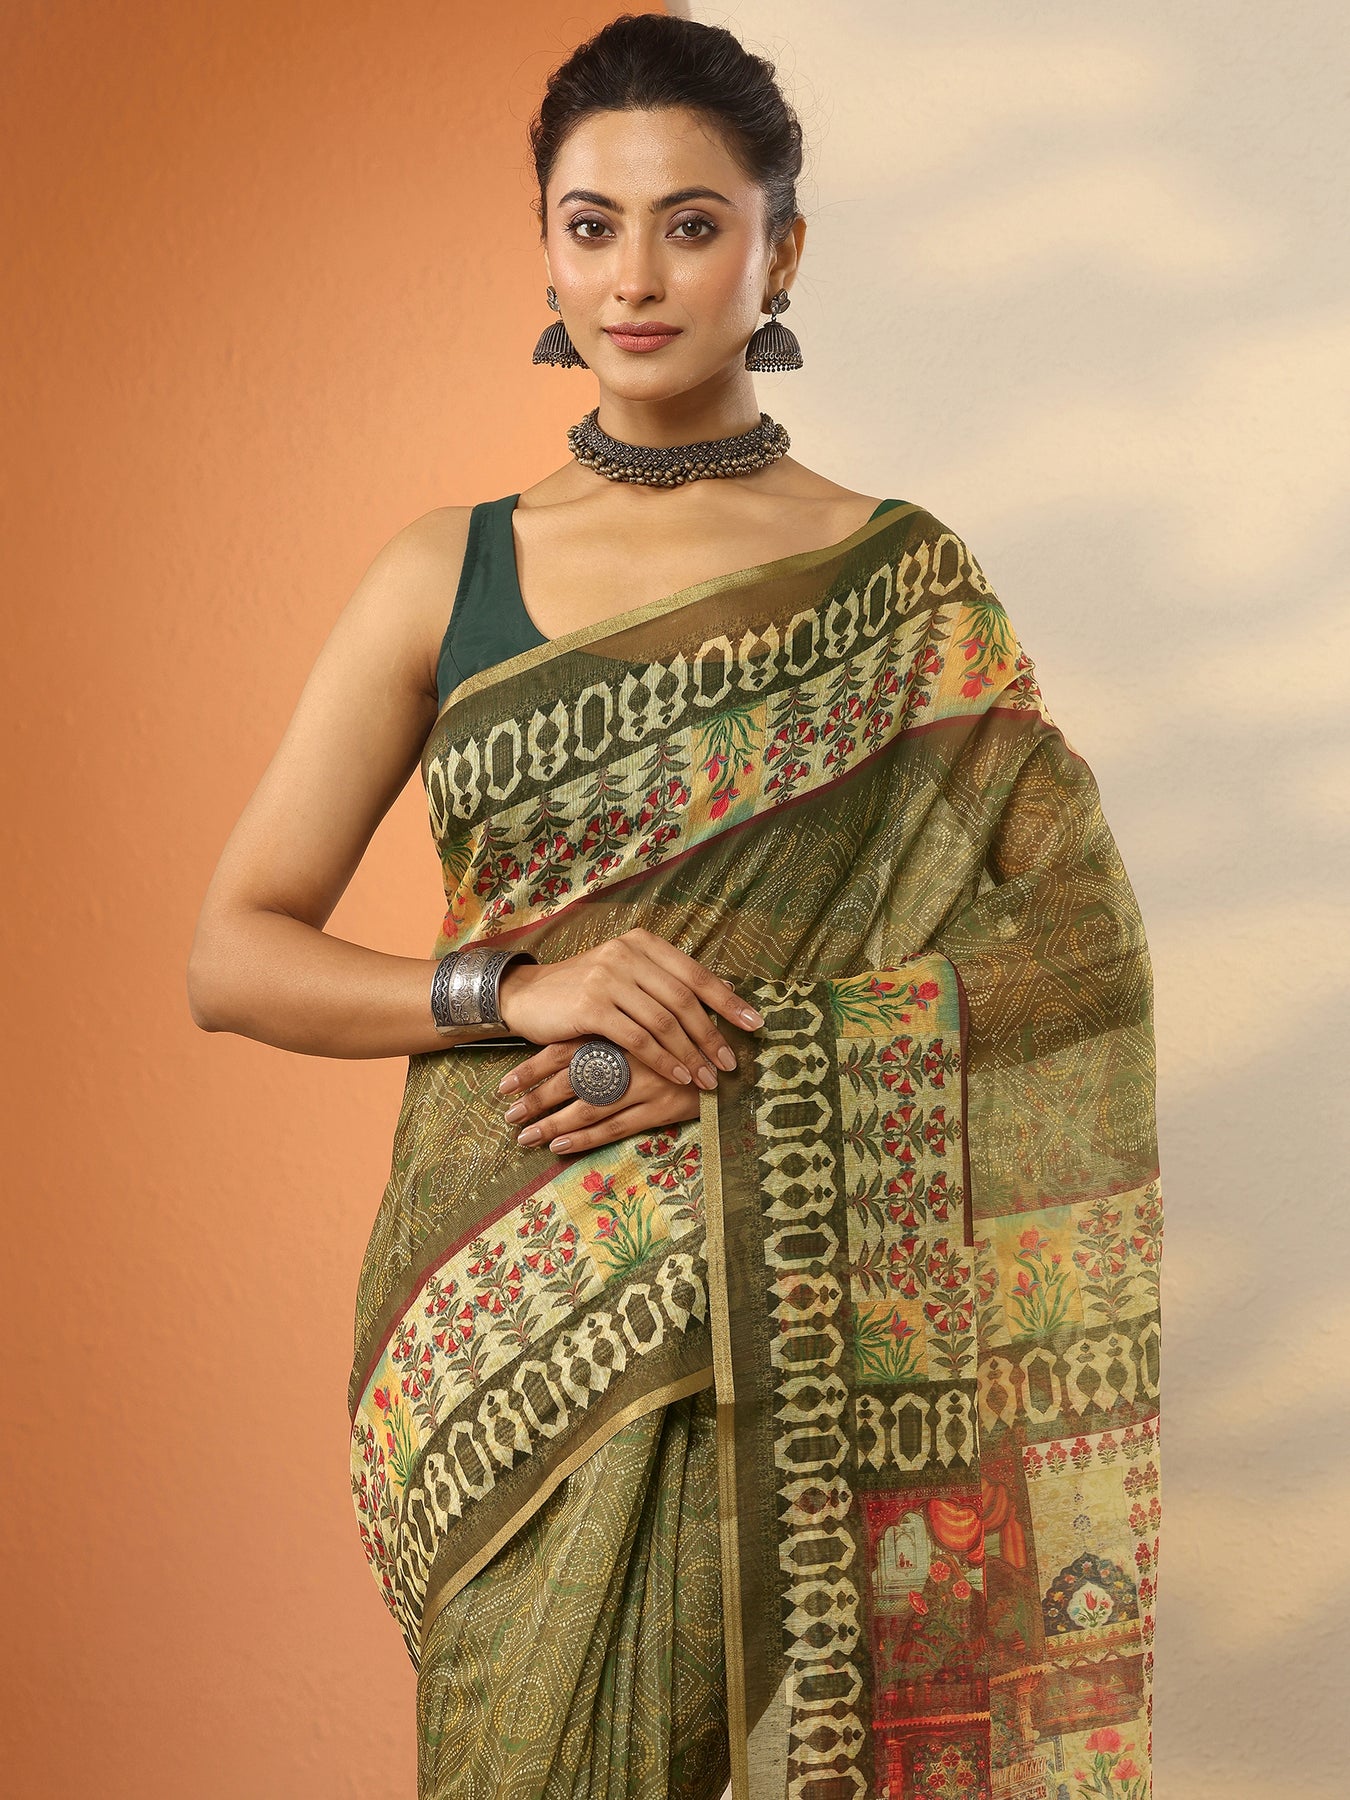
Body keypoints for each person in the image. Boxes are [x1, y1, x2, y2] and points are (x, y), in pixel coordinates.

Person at [187, 14, 1163, 1800]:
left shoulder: (901, 585)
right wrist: (515, 990)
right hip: (486, 1313)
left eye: (691, 224)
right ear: (546, 252)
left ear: (778, 252)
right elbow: (232, 954)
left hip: (760, 1301)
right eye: (591, 225)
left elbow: (1073, 953)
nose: (634, 277)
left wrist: (749, 1052)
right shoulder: (444, 570)